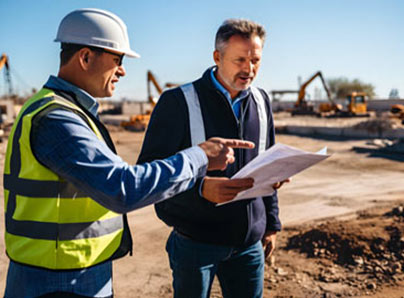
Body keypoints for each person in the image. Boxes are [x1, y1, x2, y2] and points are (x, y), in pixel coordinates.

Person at [3, 9, 255, 298]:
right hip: (57, 280)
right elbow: (123, 187)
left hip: (69, 269)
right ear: (85, 58)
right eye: (117, 60)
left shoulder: (68, 110)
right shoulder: (56, 118)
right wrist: (199, 157)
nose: (122, 70)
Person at [138, 19, 289, 298]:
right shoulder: (178, 102)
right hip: (196, 244)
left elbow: (268, 162)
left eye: (255, 60)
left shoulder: (261, 101)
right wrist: (199, 191)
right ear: (217, 57)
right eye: (240, 60)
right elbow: (150, 175)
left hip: (249, 245)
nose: (249, 69)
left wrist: (271, 223)